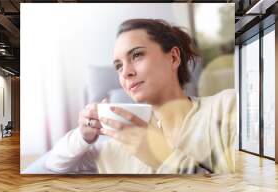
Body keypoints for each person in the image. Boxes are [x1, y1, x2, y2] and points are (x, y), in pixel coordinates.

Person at [46, 18, 236, 174]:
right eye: (119, 66)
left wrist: (162, 157)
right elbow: (54, 163)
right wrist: (83, 135)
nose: (125, 72)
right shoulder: (119, 143)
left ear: (173, 58)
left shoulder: (225, 107)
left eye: (137, 55)